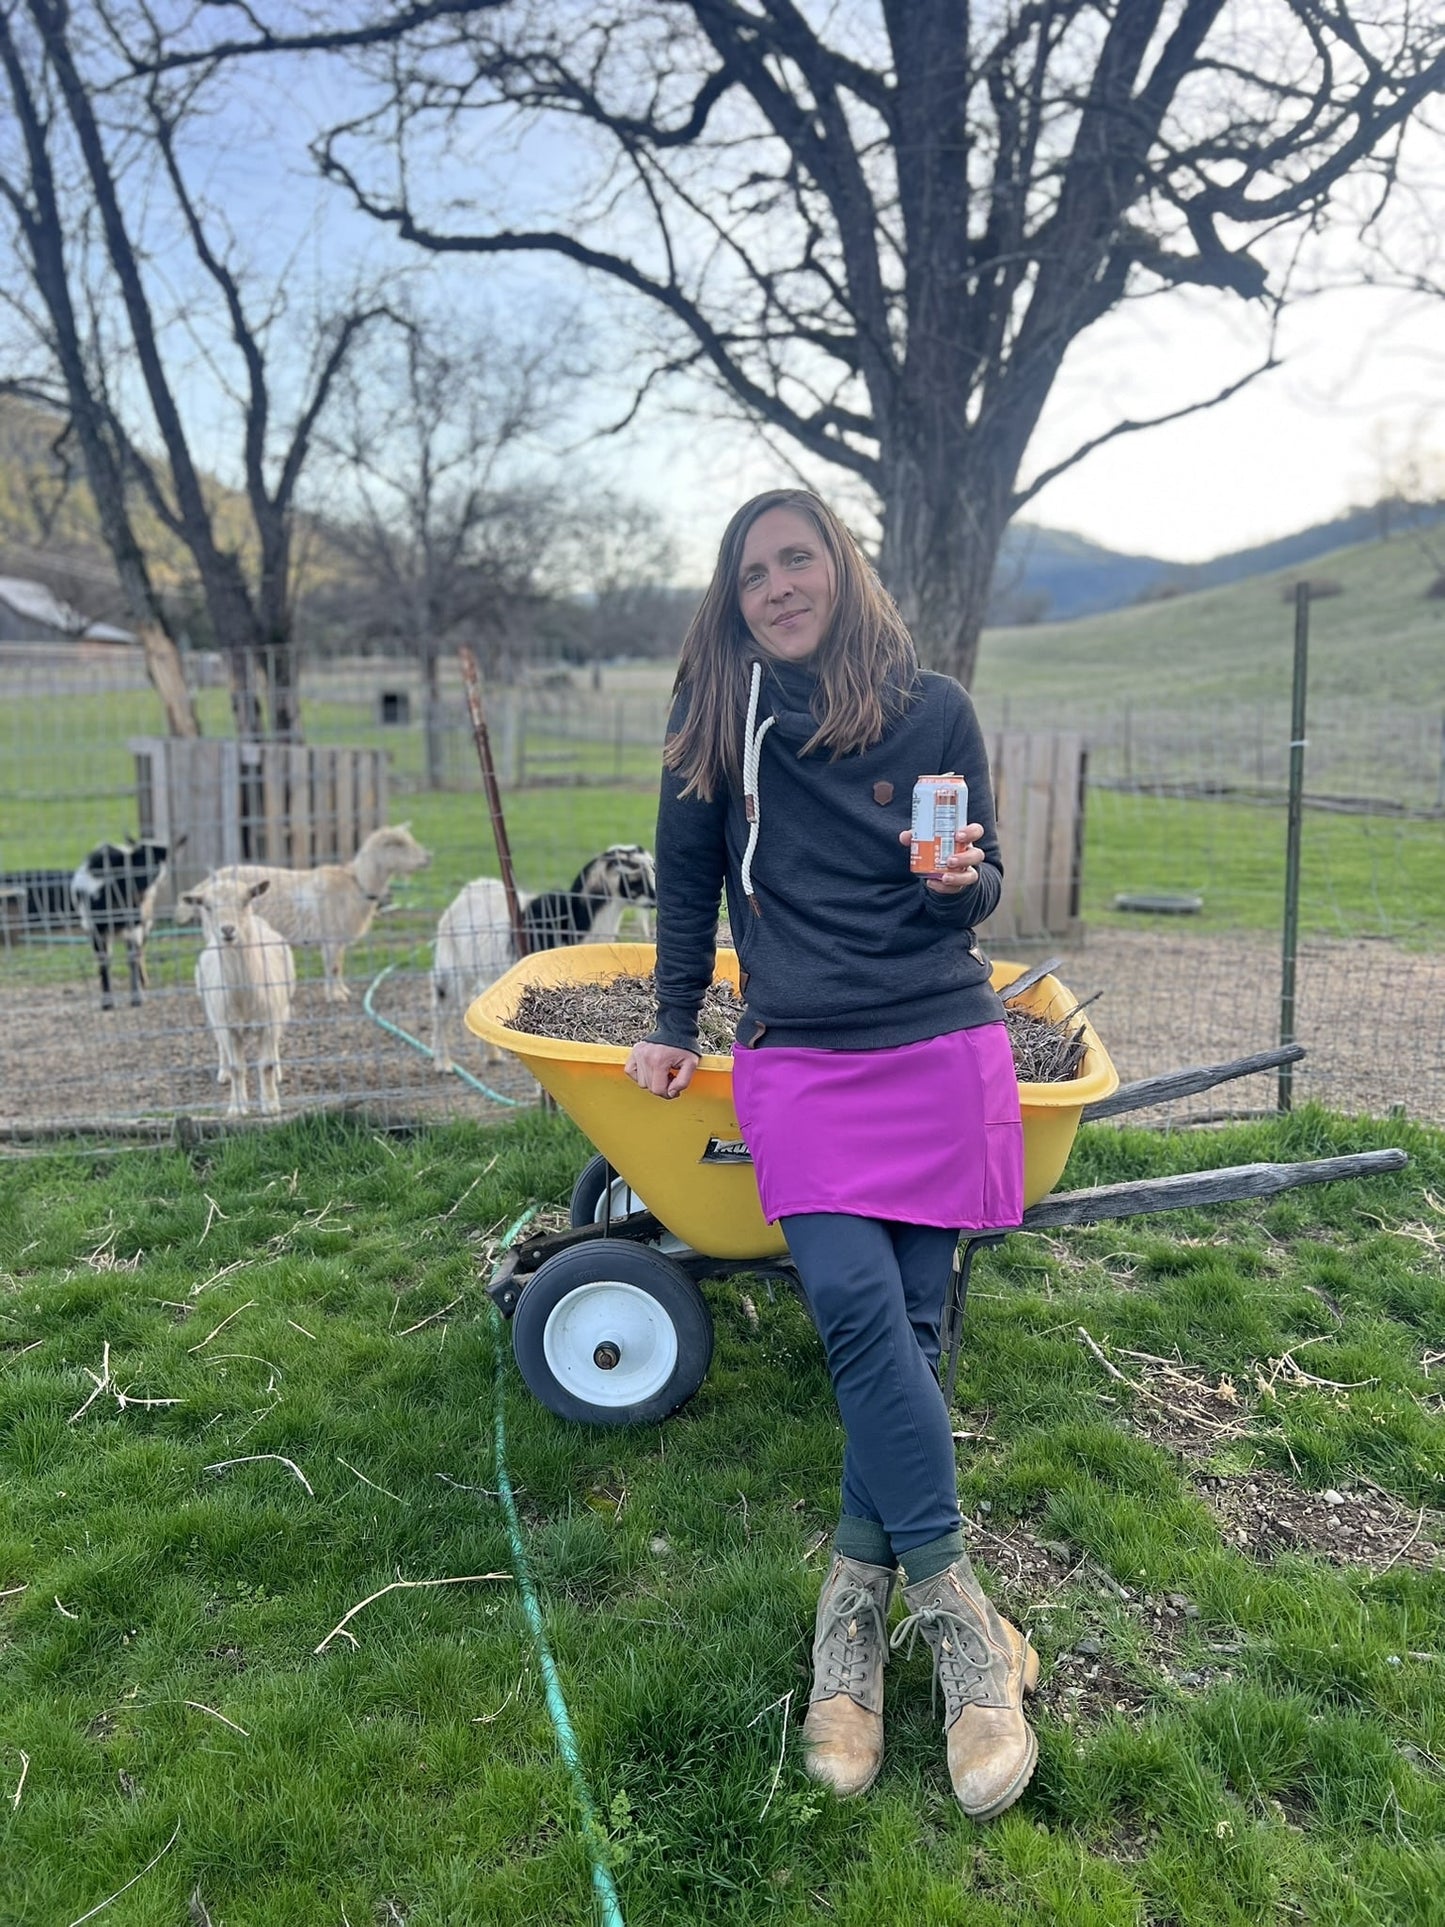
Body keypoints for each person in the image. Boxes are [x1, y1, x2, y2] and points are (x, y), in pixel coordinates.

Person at [624, 489, 1037, 1821]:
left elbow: (979, 885)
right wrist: (671, 1020)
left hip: (935, 1040)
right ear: (732, 597)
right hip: (798, 1052)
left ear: (842, 568)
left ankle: (847, 1632)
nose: (777, 586)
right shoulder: (718, 721)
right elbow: (687, 883)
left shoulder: (934, 708)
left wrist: (956, 882)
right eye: (752, 572)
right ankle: (965, 1624)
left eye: (797, 558)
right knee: (859, 1311)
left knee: (908, 1333)